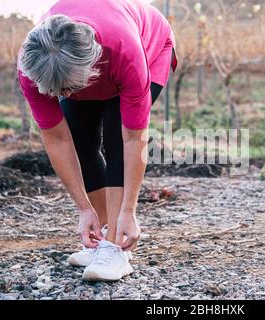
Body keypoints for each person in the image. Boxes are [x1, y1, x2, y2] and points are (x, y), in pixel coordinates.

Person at [17, 0, 177, 281]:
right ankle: (103, 234)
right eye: (60, 91)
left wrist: (128, 211)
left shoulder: (123, 50)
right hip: (81, 61)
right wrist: (83, 209)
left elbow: (132, 140)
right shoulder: (32, 64)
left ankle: (117, 246)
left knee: (116, 135)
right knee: (79, 139)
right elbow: (56, 137)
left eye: (71, 88)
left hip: (148, 47)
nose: (66, 93)